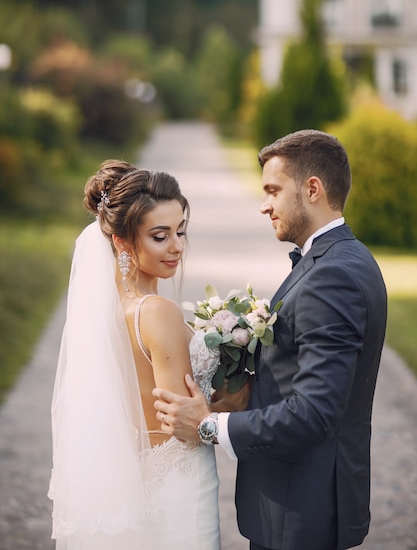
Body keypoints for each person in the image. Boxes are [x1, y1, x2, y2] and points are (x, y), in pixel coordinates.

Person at [153, 129, 387, 550]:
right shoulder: (344, 258)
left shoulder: (331, 277)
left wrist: (208, 426)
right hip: (304, 505)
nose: (264, 205)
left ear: (312, 189)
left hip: (301, 513)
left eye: (273, 190)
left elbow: (315, 411)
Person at [49, 159, 244, 550]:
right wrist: (238, 401)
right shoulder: (158, 312)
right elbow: (183, 426)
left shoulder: (106, 313)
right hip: (179, 484)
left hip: (136, 482)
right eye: (160, 236)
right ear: (122, 241)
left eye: (180, 231)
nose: (177, 246)